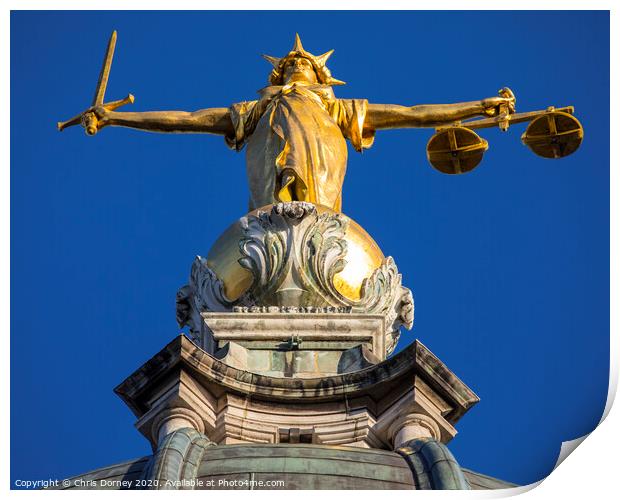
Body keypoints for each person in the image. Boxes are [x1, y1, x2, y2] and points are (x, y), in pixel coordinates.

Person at [85, 35, 515, 212]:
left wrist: (477, 107)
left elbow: (413, 113)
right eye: (289, 63)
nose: (294, 64)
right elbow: (188, 120)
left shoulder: (338, 108)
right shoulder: (255, 110)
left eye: (302, 63)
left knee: (317, 220)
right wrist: (118, 118)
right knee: (274, 219)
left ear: (320, 75)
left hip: (324, 161)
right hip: (267, 166)